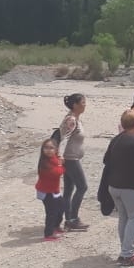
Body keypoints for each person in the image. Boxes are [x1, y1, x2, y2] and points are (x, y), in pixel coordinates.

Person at [104, 110, 134, 266]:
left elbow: (106, 160)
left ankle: (125, 250)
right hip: (129, 187)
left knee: (124, 217)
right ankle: (127, 253)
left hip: (114, 185)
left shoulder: (116, 139)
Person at [58, 94, 90, 231]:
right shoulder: (71, 119)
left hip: (71, 157)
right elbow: (64, 138)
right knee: (82, 187)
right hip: (70, 159)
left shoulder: (75, 118)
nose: (85, 105)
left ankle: (68, 219)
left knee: (69, 189)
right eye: (83, 102)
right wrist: (59, 155)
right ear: (75, 105)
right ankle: (73, 219)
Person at [35, 138, 67, 242]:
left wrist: (59, 162)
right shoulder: (44, 163)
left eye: (51, 148)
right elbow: (57, 173)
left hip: (54, 191)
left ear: (56, 149)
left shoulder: (53, 158)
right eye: (46, 148)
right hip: (46, 192)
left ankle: (55, 226)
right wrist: (61, 164)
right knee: (51, 212)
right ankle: (48, 233)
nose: (48, 150)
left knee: (61, 207)